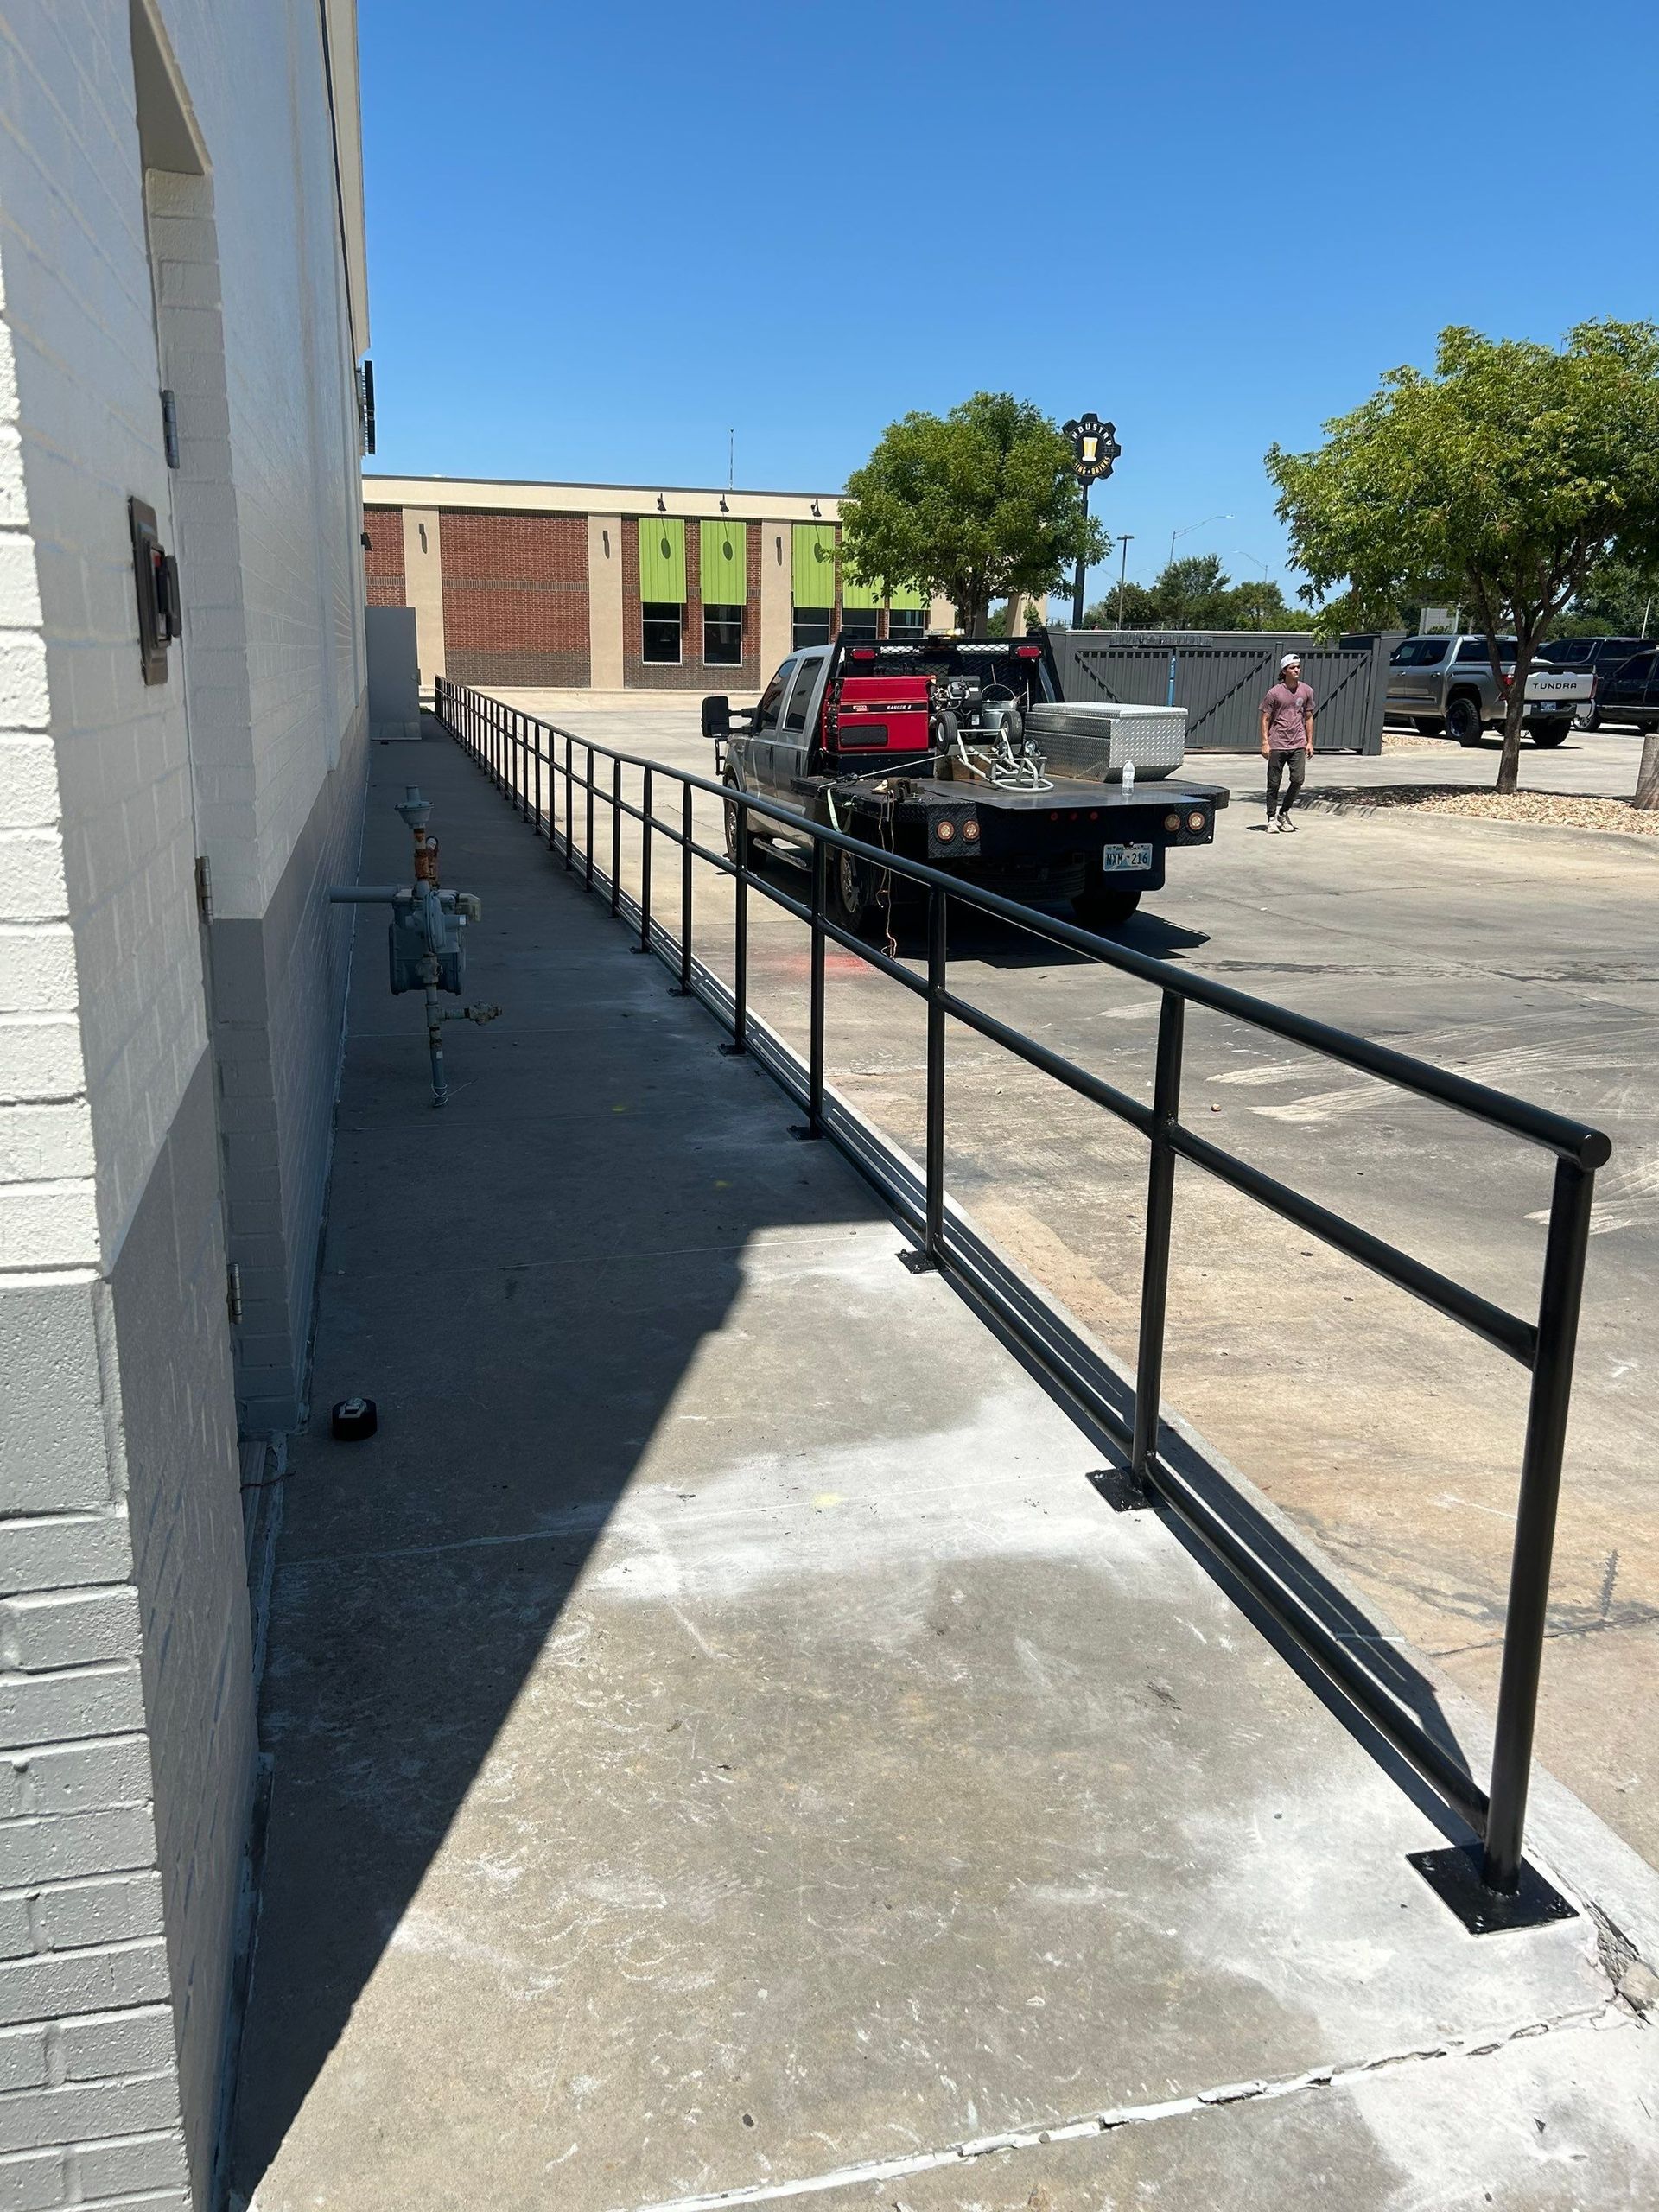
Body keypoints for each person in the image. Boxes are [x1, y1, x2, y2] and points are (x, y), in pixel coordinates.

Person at [1259, 653, 1315, 830]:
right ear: (1284, 671)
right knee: (1273, 783)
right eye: (1292, 667)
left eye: (1298, 666)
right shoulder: (1274, 693)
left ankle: (1283, 813)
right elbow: (1265, 718)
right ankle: (1271, 818)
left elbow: (1308, 716)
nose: (1296, 670)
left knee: (1298, 779)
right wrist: (1265, 742)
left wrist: (1309, 742)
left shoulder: (1307, 691)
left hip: (1298, 742)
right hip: (1277, 743)